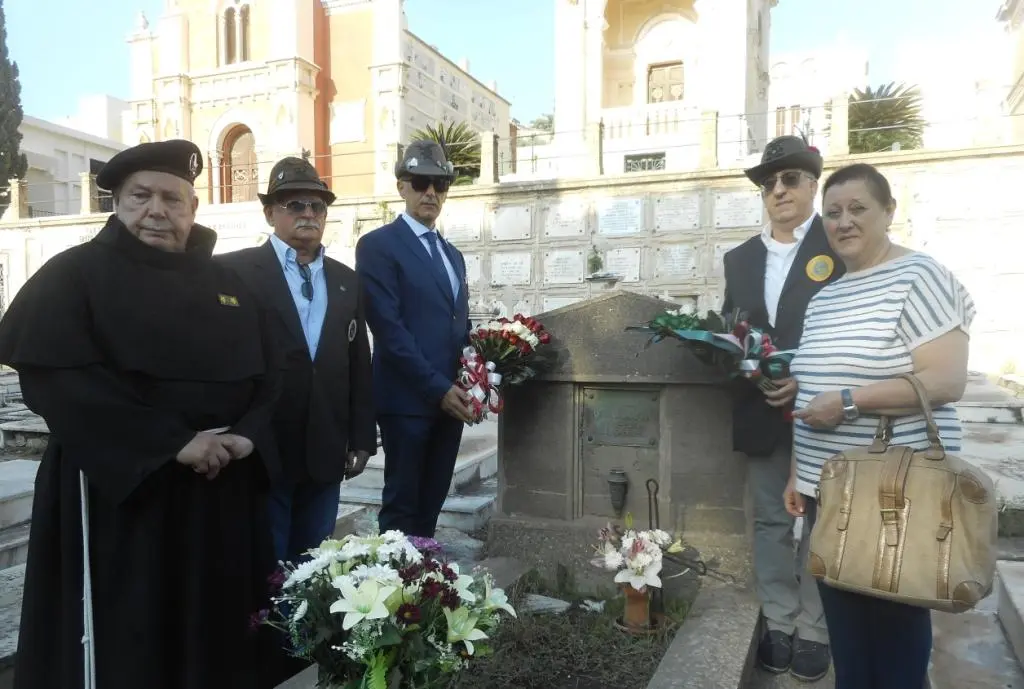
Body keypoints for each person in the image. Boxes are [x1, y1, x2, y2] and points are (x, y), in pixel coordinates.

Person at [0, 140, 282, 689]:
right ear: (117, 203)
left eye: (173, 199)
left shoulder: (233, 287)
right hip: (120, 497)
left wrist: (247, 436)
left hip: (219, 499)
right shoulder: (73, 275)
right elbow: (58, 382)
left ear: (194, 209)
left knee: (216, 635)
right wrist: (170, 443)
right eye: (141, 196)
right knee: (130, 640)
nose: (158, 210)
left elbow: (273, 377)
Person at [785, 163, 975, 689]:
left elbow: (944, 379)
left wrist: (847, 401)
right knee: (845, 637)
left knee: (893, 631)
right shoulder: (825, 297)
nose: (843, 221)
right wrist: (796, 473)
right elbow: (810, 387)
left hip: (894, 490)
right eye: (833, 212)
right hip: (829, 490)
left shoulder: (920, 277)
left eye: (858, 209)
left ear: (889, 212)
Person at [721, 135, 842, 681]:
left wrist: (807, 379)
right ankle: (778, 617)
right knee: (771, 520)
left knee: (822, 519)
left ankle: (815, 627)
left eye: (790, 178)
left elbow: (850, 335)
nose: (778, 190)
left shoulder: (837, 249)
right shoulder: (740, 259)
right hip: (763, 411)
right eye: (768, 183)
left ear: (813, 185)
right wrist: (738, 360)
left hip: (825, 412)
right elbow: (734, 329)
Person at [217, 157, 376, 567]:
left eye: (317, 206)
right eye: (294, 205)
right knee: (264, 565)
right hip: (262, 446)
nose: (308, 214)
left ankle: (303, 633)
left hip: (325, 446)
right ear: (270, 212)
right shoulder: (233, 272)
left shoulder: (346, 279)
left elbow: (358, 359)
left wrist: (361, 436)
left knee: (313, 565)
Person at [355, 140, 474, 538]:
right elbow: (388, 328)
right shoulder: (378, 246)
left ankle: (426, 591)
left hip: (450, 403)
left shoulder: (452, 254)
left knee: (432, 504)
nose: (431, 193)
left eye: (440, 184)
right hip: (408, 400)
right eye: (422, 182)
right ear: (402, 186)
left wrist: (477, 379)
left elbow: (460, 324)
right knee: (402, 508)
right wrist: (437, 387)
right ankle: (393, 592)